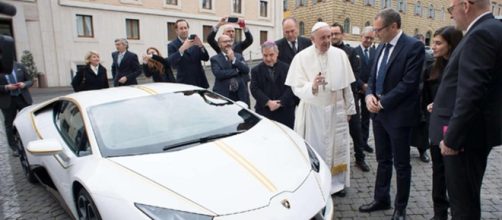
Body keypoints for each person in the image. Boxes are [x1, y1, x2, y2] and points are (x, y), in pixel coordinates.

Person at [429, 0, 502, 218]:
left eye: (452, 9)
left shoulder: (480, 34)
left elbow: (471, 93)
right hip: (477, 134)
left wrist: (452, 139)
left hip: (465, 139)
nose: (452, 15)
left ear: (466, 6)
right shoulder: (494, 29)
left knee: (463, 206)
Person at [359, 9, 424, 220]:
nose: (376, 34)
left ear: (393, 26)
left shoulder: (413, 47)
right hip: (378, 116)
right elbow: (372, 77)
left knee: (402, 164)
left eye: (379, 30)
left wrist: (383, 102)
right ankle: (381, 198)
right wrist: (369, 95)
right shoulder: (380, 47)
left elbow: (409, 83)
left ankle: (401, 207)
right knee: (383, 159)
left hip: (399, 116)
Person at [285, 22, 356, 196]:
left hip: (336, 110)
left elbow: (346, 86)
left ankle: (337, 184)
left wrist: (349, 109)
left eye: (329, 37)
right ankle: (317, 183)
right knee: (317, 148)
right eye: (322, 37)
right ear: (312, 39)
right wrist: (312, 86)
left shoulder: (340, 55)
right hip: (313, 112)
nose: (327, 41)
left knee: (336, 147)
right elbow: (296, 87)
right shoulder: (301, 57)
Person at [422, 26, 463, 220]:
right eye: (433, 42)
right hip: (437, 128)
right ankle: (439, 214)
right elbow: (428, 95)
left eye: (438, 43)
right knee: (438, 174)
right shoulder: (433, 67)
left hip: (454, 130)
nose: (433, 47)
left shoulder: (463, 67)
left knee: (455, 178)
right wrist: (432, 105)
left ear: (451, 45)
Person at [331, 22, 370, 174]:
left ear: (342, 34)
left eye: (336, 33)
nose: (334, 36)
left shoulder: (351, 52)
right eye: (332, 34)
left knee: (356, 130)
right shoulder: (326, 51)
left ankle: (360, 158)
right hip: (332, 99)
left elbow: (354, 74)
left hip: (349, 97)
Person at [250, 41, 295, 129]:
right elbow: (254, 89)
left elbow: (291, 87)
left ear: (277, 53)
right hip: (264, 111)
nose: (268, 59)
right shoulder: (256, 70)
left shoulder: (286, 68)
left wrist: (280, 102)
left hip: (285, 112)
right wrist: (268, 102)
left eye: (271, 55)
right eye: (265, 55)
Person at [0, 62, 33, 156]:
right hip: (7, 101)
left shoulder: (19, 66)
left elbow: (30, 80)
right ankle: (14, 148)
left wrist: (24, 84)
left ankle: (30, 143)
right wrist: (6, 87)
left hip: (22, 98)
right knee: (9, 125)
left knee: (28, 122)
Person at [353, 26, 376, 154]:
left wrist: (369, 87)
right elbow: (352, 72)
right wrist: (362, 85)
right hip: (357, 89)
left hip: (369, 91)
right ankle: (358, 144)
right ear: (361, 36)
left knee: (366, 118)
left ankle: (364, 142)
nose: (368, 40)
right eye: (366, 37)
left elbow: (375, 71)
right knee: (357, 118)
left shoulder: (375, 52)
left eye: (371, 38)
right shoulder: (353, 51)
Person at [168, 19, 210, 88]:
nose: (184, 30)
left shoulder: (194, 41)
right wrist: (182, 49)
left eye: (185, 28)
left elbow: (206, 58)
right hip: (185, 83)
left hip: (200, 81)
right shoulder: (172, 45)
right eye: (181, 28)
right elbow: (172, 63)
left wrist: (201, 46)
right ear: (176, 31)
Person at [210, 35, 250, 105]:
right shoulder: (215, 59)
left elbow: (246, 70)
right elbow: (219, 74)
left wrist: (234, 59)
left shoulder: (238, 56)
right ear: (219, 45)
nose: (228, 43)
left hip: (240, 94)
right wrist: (237, 71)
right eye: (225, 42)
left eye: (229, 41)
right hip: (223, 93)